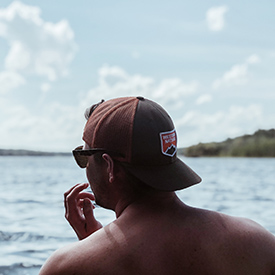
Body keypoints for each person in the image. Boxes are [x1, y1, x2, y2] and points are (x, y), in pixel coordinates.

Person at [39, 96, 275, 275]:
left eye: (85, 155)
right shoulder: (258, 242)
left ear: (109, 166)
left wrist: (91, 249)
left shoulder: (66, 266)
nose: (84, 165)